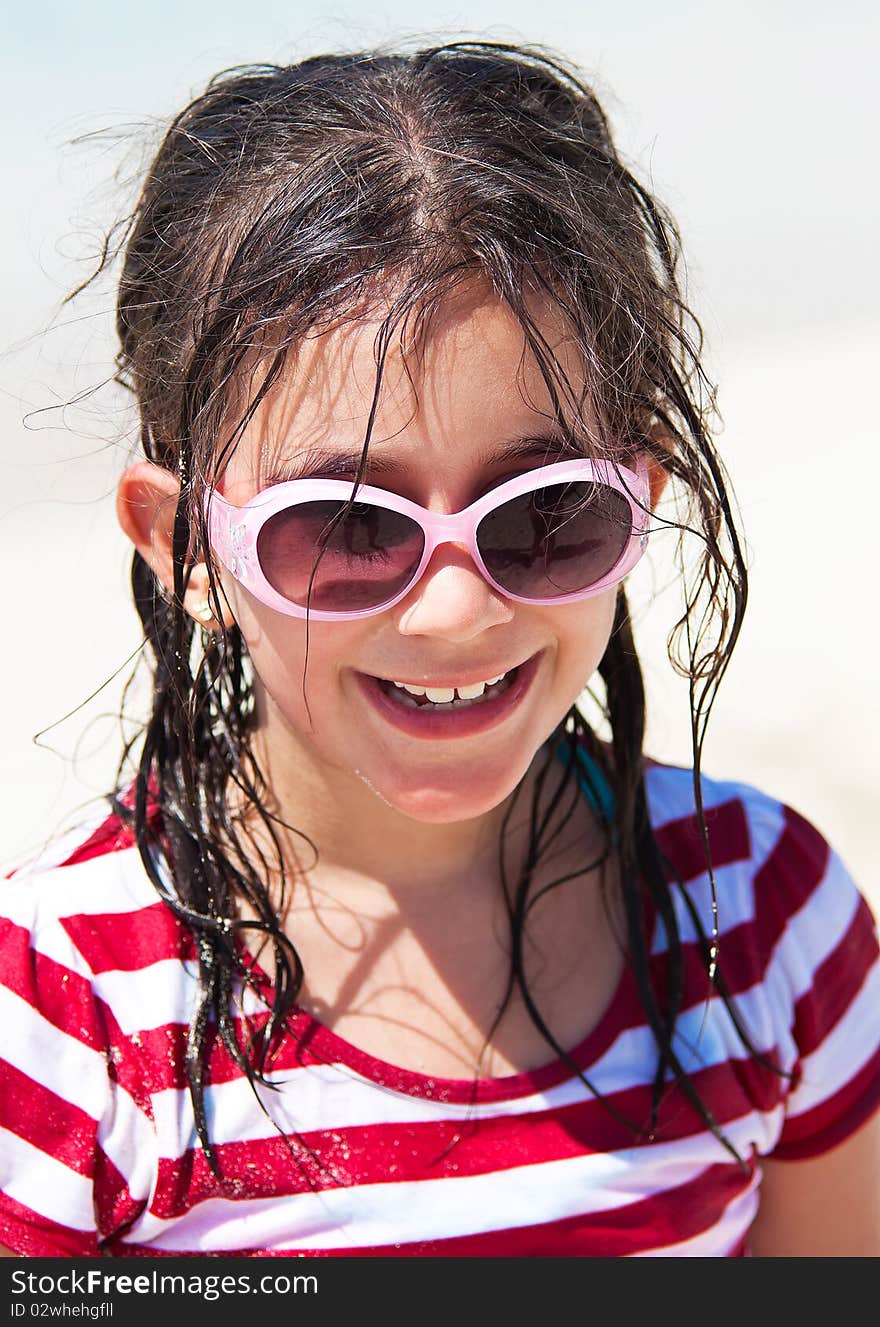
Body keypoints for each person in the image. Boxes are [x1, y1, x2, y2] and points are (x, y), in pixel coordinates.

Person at [1, 40, 877, 1260]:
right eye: (352, 526)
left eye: (545, 513)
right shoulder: (59, 1019)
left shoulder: (762, 919)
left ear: (640, 498)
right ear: (184, 544)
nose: (455, 615)